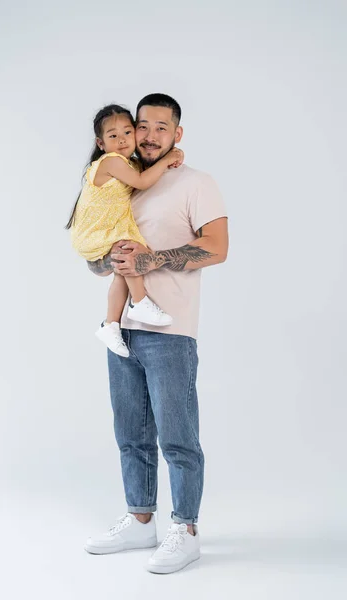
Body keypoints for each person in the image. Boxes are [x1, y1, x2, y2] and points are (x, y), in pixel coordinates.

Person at [84, 94, 229, 574]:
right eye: (140, 126)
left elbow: (217, 246)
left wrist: (150, 260)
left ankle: (185, 528)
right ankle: (140, 518)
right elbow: (94, 260)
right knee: (131, 434)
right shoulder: (125, 183)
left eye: (159, 127)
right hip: (123, 328)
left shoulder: (196, 183)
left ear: (177, 135)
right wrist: (114, 260)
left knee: (178, 437)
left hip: (171, 330)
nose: (147, 135)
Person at [66, 105, 184, 357]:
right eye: (113, 136)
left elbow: (145, 174)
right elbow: (142, 182)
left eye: (127, 133)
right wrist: (168, 158)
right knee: (127, 249)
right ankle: (139, 302)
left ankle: (111, 325)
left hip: (104, 228)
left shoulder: (128, 163)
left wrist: (169, 158)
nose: (121, 140)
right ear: (100, 143)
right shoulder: (111, 162)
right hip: (93, 232)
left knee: (124, 267)